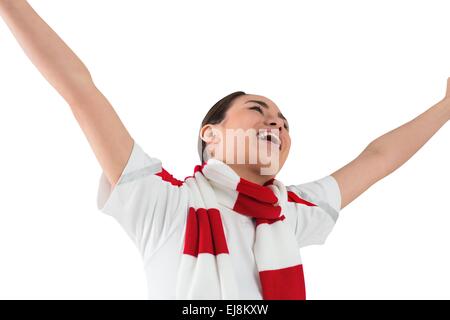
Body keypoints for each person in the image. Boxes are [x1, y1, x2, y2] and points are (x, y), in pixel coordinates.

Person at [1, 0, 449, 300]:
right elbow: (80, 91)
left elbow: (378, 158)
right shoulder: (160, 198)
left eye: (285, 122)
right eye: (258, 110)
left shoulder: (293, 210)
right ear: (210, 134)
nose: (276, 122)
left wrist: (446, 108)